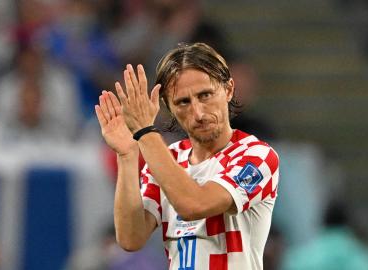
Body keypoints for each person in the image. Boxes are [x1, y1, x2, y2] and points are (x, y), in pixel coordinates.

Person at [95, 43, 280, 269]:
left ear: (229, 89)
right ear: (169, 107)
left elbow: (194, 204)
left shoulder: (256, 156)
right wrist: (127, 154)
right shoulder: (168, 158)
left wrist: (145, 131)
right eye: (183, 102)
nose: (198, 113)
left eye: (206, 95)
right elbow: (130, 238)